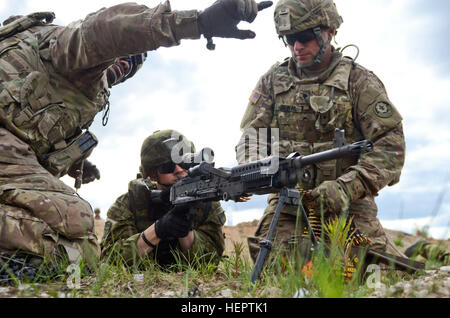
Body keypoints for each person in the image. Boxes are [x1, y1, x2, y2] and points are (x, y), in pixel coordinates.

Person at [0, 0, 272, 267]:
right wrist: (196, 23)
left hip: (14, 148)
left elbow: (35, 125)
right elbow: (103, 29)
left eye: (134, 61)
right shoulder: (69, 47)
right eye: (168, 166)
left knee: (70, 243)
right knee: (75, 226)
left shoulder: (83, 88)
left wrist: (75, 162)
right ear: (151, 173)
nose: (125, 64)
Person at [236, 0, 407, 264]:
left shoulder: (358, 82)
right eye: (289, 38)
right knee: (276, 273)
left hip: (349, 205)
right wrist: (254, 170)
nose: (297, 47)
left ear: (329, 32)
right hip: (287, 205)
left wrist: (346, 187)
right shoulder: (272, 82)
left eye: (305, 37)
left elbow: (390, 147)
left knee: (377, 276)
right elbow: (251, 137)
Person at [101, 130, 226, 267]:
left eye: (184, 163)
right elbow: (111, 260)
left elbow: (210, 261)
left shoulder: (206, 200)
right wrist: (158, 230)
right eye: (168, 166)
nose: (179, 170)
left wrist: (185, 231)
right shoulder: (129, 204)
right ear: (152, 174)